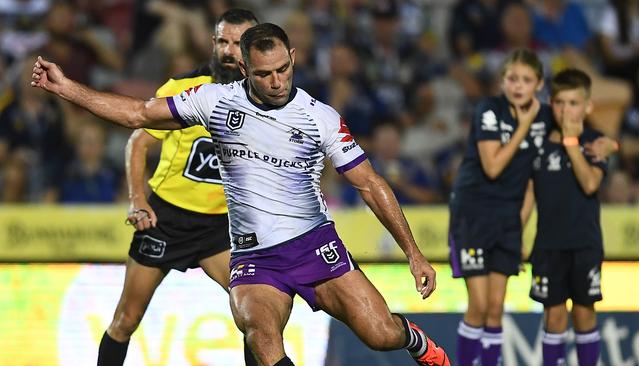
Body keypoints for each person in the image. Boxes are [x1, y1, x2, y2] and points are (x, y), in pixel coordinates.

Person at [31, 23, 450, 366]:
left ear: (293, 60)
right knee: (262, 338)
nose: (277, 81)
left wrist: (413, 252)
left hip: (314, 247)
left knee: (380, 335)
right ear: (245, 68)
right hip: (254, 259)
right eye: (265, 73)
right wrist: (67, 88)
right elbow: (138, 115)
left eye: (284, 69)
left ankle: (413, 340)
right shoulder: (214, 101)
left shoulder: (319, 117)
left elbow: (369, 184)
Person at [95, 9, 259, 366]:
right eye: (222, 41)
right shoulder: (183, 88)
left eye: (238, 43)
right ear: (213, 44)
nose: (229, 51)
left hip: (221, 228)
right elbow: (138, 142)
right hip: (166, 219)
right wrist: (137, 199)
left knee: (257, 316)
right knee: (126, 320)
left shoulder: (266, 98)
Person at [448, 48, 552, 366]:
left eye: (526, 79)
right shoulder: (488, 110)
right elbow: (492, 167)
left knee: (496, 307)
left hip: (507, 218)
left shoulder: (546, 120)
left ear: (539, 83)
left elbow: (533, 183)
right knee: (478, 306)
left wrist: (520, 230)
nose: (518, 85)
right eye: (512, 78)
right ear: (502, 81)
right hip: (473, 214)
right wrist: (523, 125)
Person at [528, 68, 607, 366]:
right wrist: (516, 235)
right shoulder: (540, 145)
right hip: (548, 245)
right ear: (551, 103)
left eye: (574, 103)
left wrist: (572, 143)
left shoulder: (596, 143)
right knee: (554, 315)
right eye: (560, 103)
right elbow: (528, 194)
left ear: (588, 107)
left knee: (585, 312)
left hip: (584, 244)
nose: (566, 110)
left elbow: (590, 183)